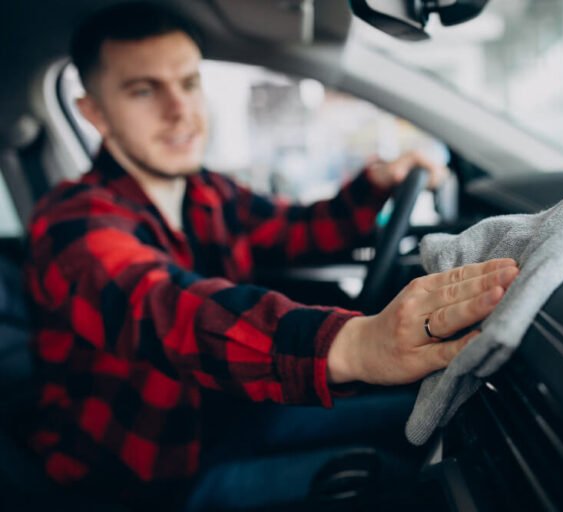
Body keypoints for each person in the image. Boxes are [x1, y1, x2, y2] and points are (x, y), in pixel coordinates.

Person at [24, 2, 519, 508]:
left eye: (189, 83)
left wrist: (375, 185)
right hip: (148, 478)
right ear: (95, 113)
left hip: (227, 418)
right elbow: (170, 311)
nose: (180, 110)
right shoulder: (72, 224)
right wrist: (352, 344)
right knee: (398, 482)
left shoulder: (206, 192)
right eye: (144, 90)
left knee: (425, 411)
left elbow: (298, 230)